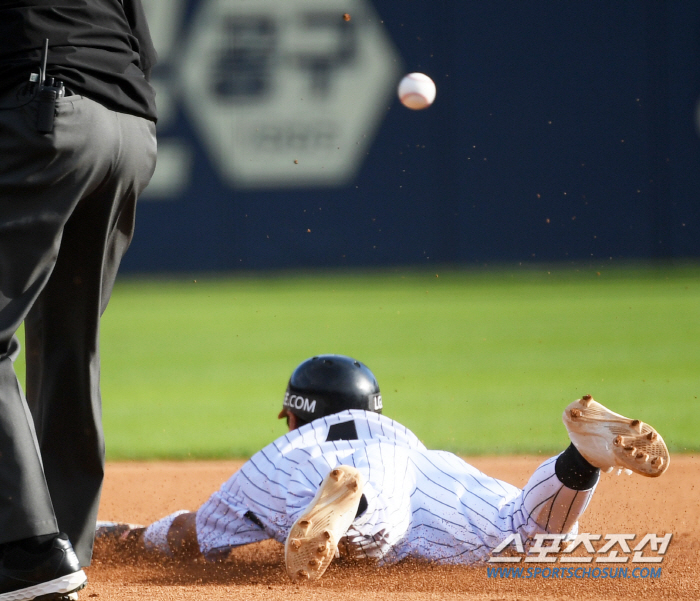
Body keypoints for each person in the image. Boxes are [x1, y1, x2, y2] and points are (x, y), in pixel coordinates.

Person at [96, 355, 670, 582]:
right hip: (417, 469)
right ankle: (581, 460)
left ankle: (347, 509)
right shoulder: (405, 443)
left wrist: (125, 537)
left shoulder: (292, 448)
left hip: (318, 474)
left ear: (293, 415)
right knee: (524, 533)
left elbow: (195, 534)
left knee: (370, 532)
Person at [0, 2, 157, 600]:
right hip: (130, 129)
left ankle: (26, 549)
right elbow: (146, 46)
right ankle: (64, 542)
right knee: (69, 342)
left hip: (48, 112)